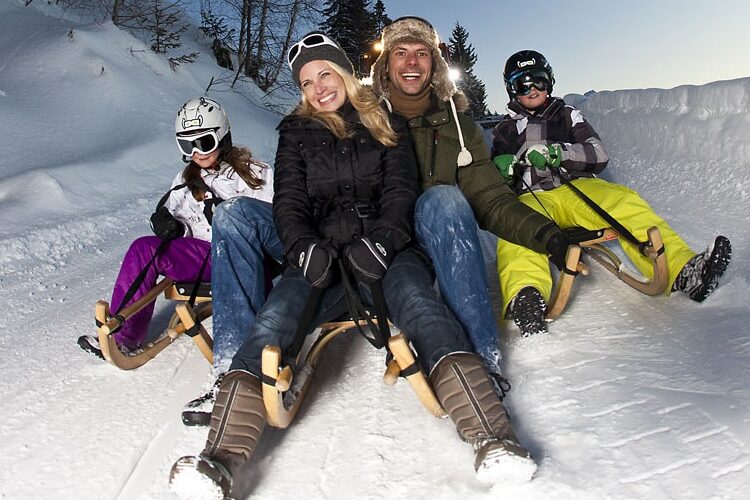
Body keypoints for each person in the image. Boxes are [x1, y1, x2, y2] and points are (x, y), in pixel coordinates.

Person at [169, 33, 536, 499]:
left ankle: (494, 438)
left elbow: (402, 190)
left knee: (424, 310)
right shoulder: (295, 133)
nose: (319, 88)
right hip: (319, 259)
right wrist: (302, 247)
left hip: (384, 255)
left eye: (325, 74)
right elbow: (289, 204)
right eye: (306, 82)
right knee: (273, 323)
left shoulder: (382, 121)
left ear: (342, 72)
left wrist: (384, 241)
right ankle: (217, 461)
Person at [368, 17, 568, 380]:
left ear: (435, 64)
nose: (412, 63)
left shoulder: (457, 126)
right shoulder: (364, 120)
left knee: (446, 200)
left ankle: (482, 361)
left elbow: (490, 197)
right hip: (383, 243)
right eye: (401, 53)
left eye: (421, 53)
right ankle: (430, 339)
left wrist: (547, 235)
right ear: (386, 65)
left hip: (439, 232)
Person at [491, 50, 733, 335]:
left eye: (539, 82)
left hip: (576, 186)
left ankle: (683, 271)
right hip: (533, 196)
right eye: (523, 84)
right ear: (511, 90)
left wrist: (560, 153)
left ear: (550, 82)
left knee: (623, 201)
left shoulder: (567, 115)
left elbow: (598, 153)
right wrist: (501, 170)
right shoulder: (504, 130)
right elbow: (493, 184)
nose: (532, 90)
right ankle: (526, 295)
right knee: (516, 227)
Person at [77, 97, 276, 359]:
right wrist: (170, 226)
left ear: (223, 137)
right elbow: (178, 222)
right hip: (202, 255)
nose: (197, 151)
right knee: (144, 247)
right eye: (188, 144)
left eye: (204, 142)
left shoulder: (254, 173)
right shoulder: (184, 180)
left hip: (240, 257)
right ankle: (123, 337)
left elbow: (271, 223)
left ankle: (247, 348)